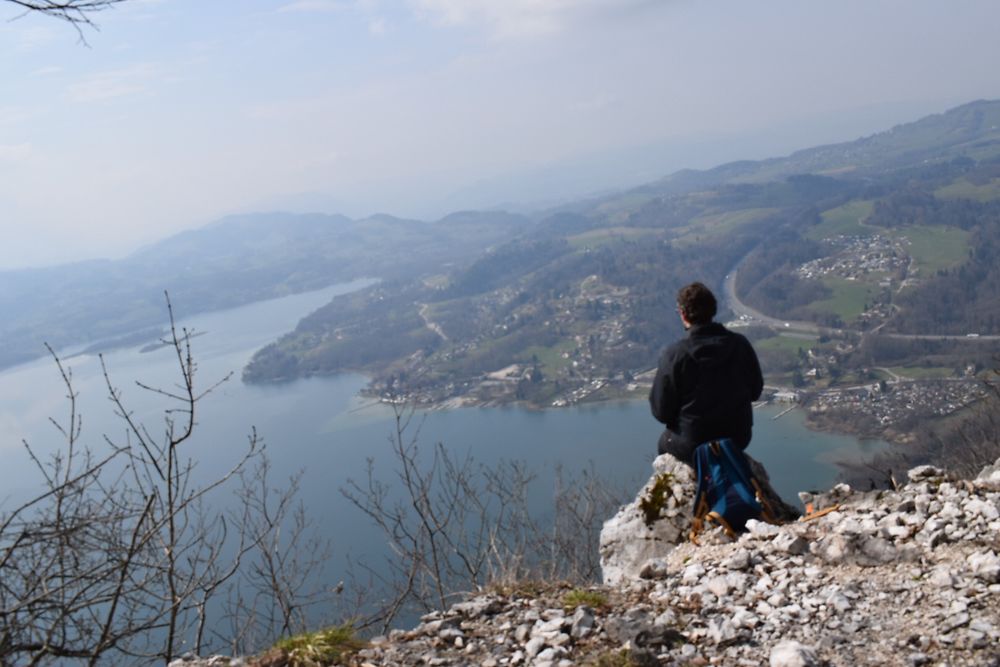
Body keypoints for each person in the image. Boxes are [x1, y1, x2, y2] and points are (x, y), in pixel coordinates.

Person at [649, 281, 764, 465]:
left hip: (692, 444)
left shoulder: (675, 355)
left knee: (664, 443)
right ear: (714, 309)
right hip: (737, 439)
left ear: (683, 313)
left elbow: (661, 411)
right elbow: (755, 391)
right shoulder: (740, 344)